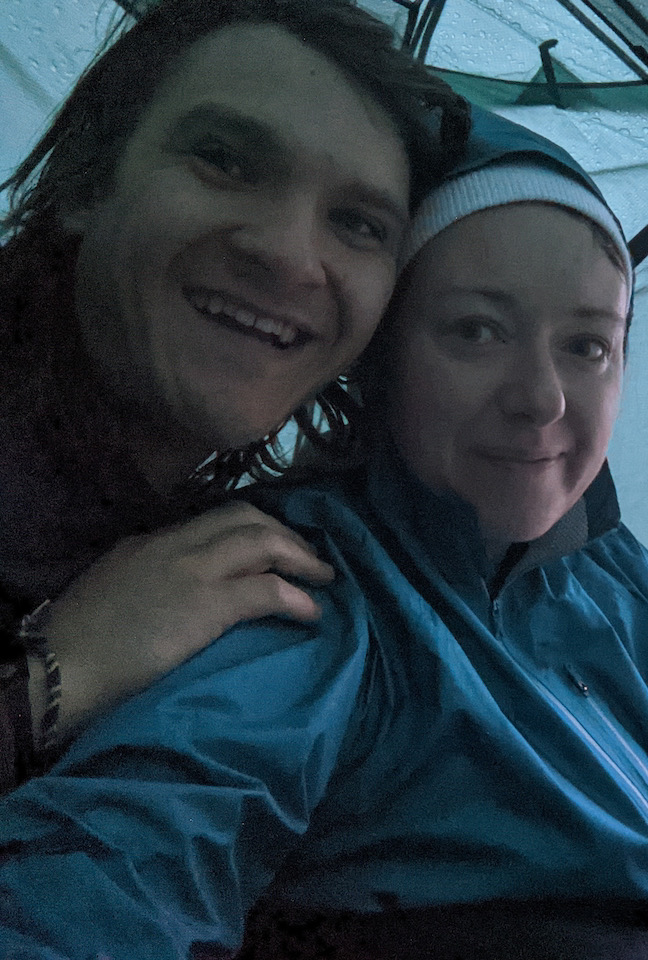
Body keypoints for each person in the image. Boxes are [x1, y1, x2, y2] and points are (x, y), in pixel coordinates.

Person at [0, 141, 648, 959]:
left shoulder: (624, 583)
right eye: (478, 331)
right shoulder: (313, 578)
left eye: (588, 345)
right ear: (381, 365)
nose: (542, 398)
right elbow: (124, 857)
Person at [0, 0, 469, 789]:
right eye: (224, 159)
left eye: (356, 223)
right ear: (87, 179)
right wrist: (60, 674)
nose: (288, 256)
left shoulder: (242, 545)